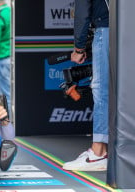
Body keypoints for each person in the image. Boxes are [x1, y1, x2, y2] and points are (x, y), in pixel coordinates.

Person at [62, 0, 109, 171]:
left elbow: (82, 12)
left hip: (107, 29)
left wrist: (79, 48)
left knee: (102, 89)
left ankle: (98, 153)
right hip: (125, 29)